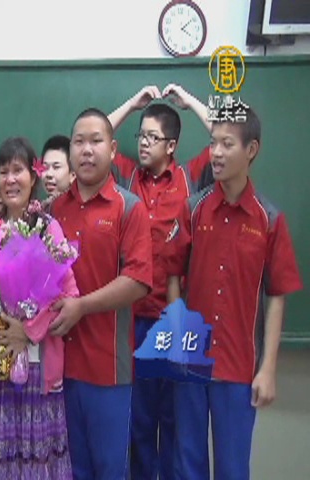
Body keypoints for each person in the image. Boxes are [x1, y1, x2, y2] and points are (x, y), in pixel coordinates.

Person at [165, 107, 302, 480]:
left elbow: (277, 295)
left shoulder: (269, 220)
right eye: (213, 143)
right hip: (191, 362)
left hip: (239, 366)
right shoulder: (192, 210)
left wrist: (268, 369)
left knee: (232, 468)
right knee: (186, 465)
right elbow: (172, 273)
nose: (217, 153)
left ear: (251, 149)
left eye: (227, 144)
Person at [108, 83, 212, 480]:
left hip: (178, 321)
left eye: (152, 137)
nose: (143, 142)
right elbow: (95, 137)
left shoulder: (191, 178)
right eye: (141, 135)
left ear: (172, 146)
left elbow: (228, 134)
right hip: (132, 320)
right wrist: (133, 104)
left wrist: (189, 102)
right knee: (138, 422)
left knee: (176, 423)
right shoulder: (126, 177)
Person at [49, 108, 153, 480]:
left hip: (108, 369)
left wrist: (82, 306)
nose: (87, 150)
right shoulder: (53, 209)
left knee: (109, 469)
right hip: (59, 368)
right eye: (79, 142)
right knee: (71, 470)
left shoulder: (129, 208)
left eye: (96, 141)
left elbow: (137, 280)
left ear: (113, 149)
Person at [0, 137, 76, 479]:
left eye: (18, 170)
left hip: (39, 367)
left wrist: (28, 331)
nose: (10, 179)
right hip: (2, 368)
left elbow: (69, 296)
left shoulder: (48, 228)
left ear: (34, 177)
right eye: (3, 172)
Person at [41, 134, 74, 198]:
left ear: (72, 175)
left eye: (56, 167)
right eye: (45, 167)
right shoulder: (41, 204)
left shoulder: (82, 203)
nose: (48, 174)